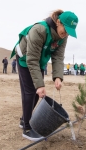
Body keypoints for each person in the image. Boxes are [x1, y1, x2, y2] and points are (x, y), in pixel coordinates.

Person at [10, 10, 78, 141]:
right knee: (30, 91)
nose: (66, 34)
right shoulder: (39, 30)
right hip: (25, 58)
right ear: (58, 22)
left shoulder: (63, 37)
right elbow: (32, 59)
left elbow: (58, 57)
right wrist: (40, 85)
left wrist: (58, 77)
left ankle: (24, 119)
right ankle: (27, 128)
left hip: (39, 61)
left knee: (37, 93)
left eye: (69, 32)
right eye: (65, 29)